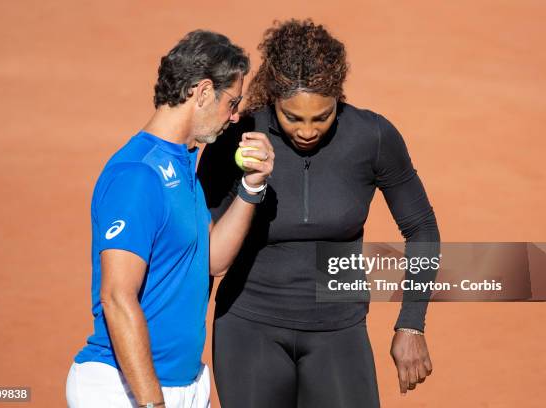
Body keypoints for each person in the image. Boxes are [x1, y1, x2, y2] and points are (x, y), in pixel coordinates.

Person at [199, 19, 440, 407]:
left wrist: (411, 324)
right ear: (273, 98)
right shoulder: (236, 136)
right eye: (292, 117)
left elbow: (422, 228)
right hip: (248, 329)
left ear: (338, 99)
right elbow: (202, 244)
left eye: (322, 117)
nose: (308, 130)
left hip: (339, 331)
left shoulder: (372, 137)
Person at [66, 30, 274, 408]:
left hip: (186, 384)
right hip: (125, 389)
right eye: (233, 101)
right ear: (203, 91)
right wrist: (152, 402)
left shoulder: (181, 164)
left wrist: (251, 188)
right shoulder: (138, 174)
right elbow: (116, 295)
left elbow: (211, 260)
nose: (236, 115)